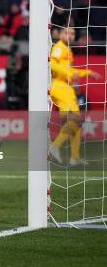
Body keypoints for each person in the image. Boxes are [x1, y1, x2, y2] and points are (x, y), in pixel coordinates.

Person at [48, 27, 101, 166]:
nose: (70, 35)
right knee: (75, 121)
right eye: (66, 32)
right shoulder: (59, 47)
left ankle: (74, 157)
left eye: (72, 33)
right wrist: (70, 74)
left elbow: (70, 70)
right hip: (60, 87)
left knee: (76, 124)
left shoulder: (67, 50)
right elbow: (52, 64)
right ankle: (54, 147)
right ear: (60, 34)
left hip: (66, 88)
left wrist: (88, 72)